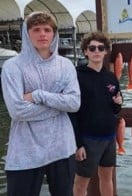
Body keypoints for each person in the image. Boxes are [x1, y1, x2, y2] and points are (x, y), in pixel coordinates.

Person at [0, 11, 80, 196]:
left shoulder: (66, 65)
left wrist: (38, 95)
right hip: (25, 151)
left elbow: (74, 103)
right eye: (36, 29)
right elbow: (17, 111)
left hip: (62, 148)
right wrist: (59, 106)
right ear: (27, 34)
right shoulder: (12, 66)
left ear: (54, 34)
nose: (42, 34)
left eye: (47, 29)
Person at [70, 32, 122, 196]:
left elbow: (115, 110)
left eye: (101, 48)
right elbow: (71, 113)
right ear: (85, 51)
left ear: (106, 51)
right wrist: (78, 144)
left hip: (109, 137)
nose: (96, 51)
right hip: (88, 138)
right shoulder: (77, 75)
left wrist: (118, 104)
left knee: (107, 179)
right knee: (80, 184)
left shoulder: (111, 77)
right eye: (92, 48)